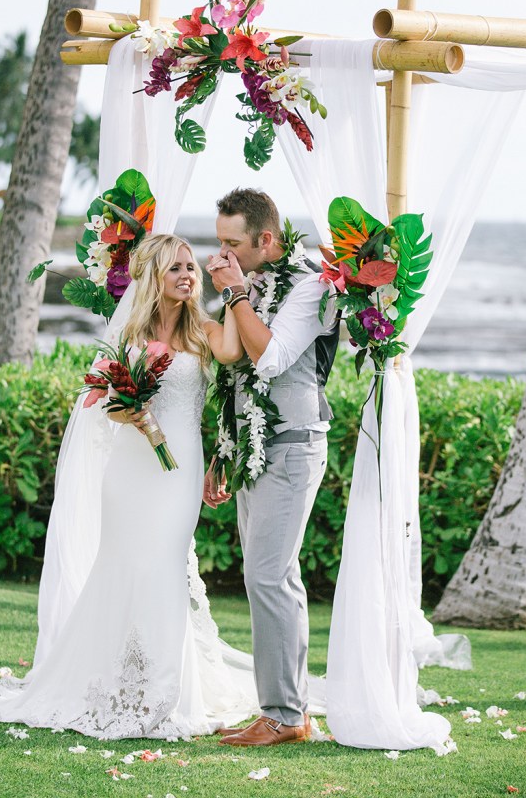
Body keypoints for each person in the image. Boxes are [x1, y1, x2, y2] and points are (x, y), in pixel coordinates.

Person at [0, 234, 258, 740]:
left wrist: (233, 290)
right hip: (129, 471)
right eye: (175, 268)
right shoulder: (129, 335)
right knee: (124, 567)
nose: (187, 276)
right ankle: (122, 680)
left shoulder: (204, 331)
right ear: (154, 277)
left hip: (180, 471)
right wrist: (132, 413)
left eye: (191, 267)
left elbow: (233, 352)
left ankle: (162, 689)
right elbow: (106, 404)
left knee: (164, 565)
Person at [204, 188, 338, 748]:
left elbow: (272, 357)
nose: (222, 256)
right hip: (255, 447)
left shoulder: (311, 285)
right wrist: (224, 450)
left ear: (266, 239)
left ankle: (285, 716)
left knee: (268, 578)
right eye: (218, 244)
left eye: (232, 244)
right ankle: (285, 710)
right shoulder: (252, 282)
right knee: (271, 578)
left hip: (292, 445)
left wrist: (234, 292)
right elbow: (234, 370)